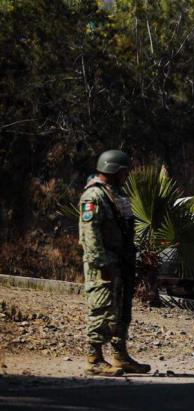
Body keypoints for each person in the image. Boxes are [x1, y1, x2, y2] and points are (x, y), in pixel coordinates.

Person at [79, 150, 151, 376]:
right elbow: (89, 235)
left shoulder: (117, 194)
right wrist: (101, 264)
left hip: (122, 261)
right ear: (113, 170)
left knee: (121, 311)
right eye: (124, 172)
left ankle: (120, 356)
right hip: (104, 264)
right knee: (101, 308)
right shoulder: (93, 197)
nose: (126, 176)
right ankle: (94, 358)